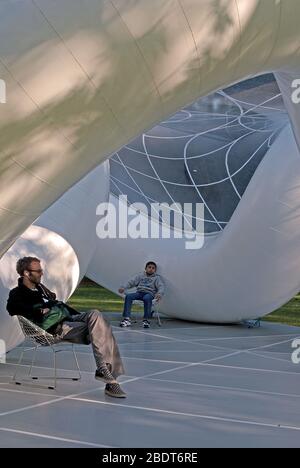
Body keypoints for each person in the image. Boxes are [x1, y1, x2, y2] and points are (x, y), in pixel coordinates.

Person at [7, 257, 126, 399]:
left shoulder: (39, 288)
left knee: (95, 315)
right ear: (26, 273)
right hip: (55, 329)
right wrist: (38, 310)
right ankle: (108, 377)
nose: (41, 273)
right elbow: (12, 308)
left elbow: (53, 302)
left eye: (41, 270)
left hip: (68, 318)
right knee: (102, 329)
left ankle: (104, 371)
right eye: (38, 271)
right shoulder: (17, 293)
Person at [119, 261, 165, 329]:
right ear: (145, 268)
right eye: (149, 267)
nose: (151, 269)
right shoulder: (140, 276)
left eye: (153, 268)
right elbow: (131, 282)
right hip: (139, 293)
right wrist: (123, 287)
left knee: (147, 298)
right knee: (128, 296)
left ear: (155, 270)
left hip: (149, 294)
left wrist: (159, 293)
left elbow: (161, 286)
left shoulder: (157, 278)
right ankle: (127, 319)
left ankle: (146, 320)